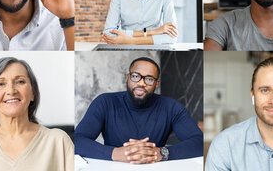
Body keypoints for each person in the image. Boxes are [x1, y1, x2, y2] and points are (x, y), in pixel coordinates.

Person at [75, 57, 203, 164]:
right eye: (136, 76)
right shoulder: (105, 102)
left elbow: (199, 142)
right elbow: (78, 140)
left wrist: (162, 153)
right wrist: (115, 153)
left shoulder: (172, 107)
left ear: (156, 84)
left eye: (149, 79)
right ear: (128, 77)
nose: (141, 83)